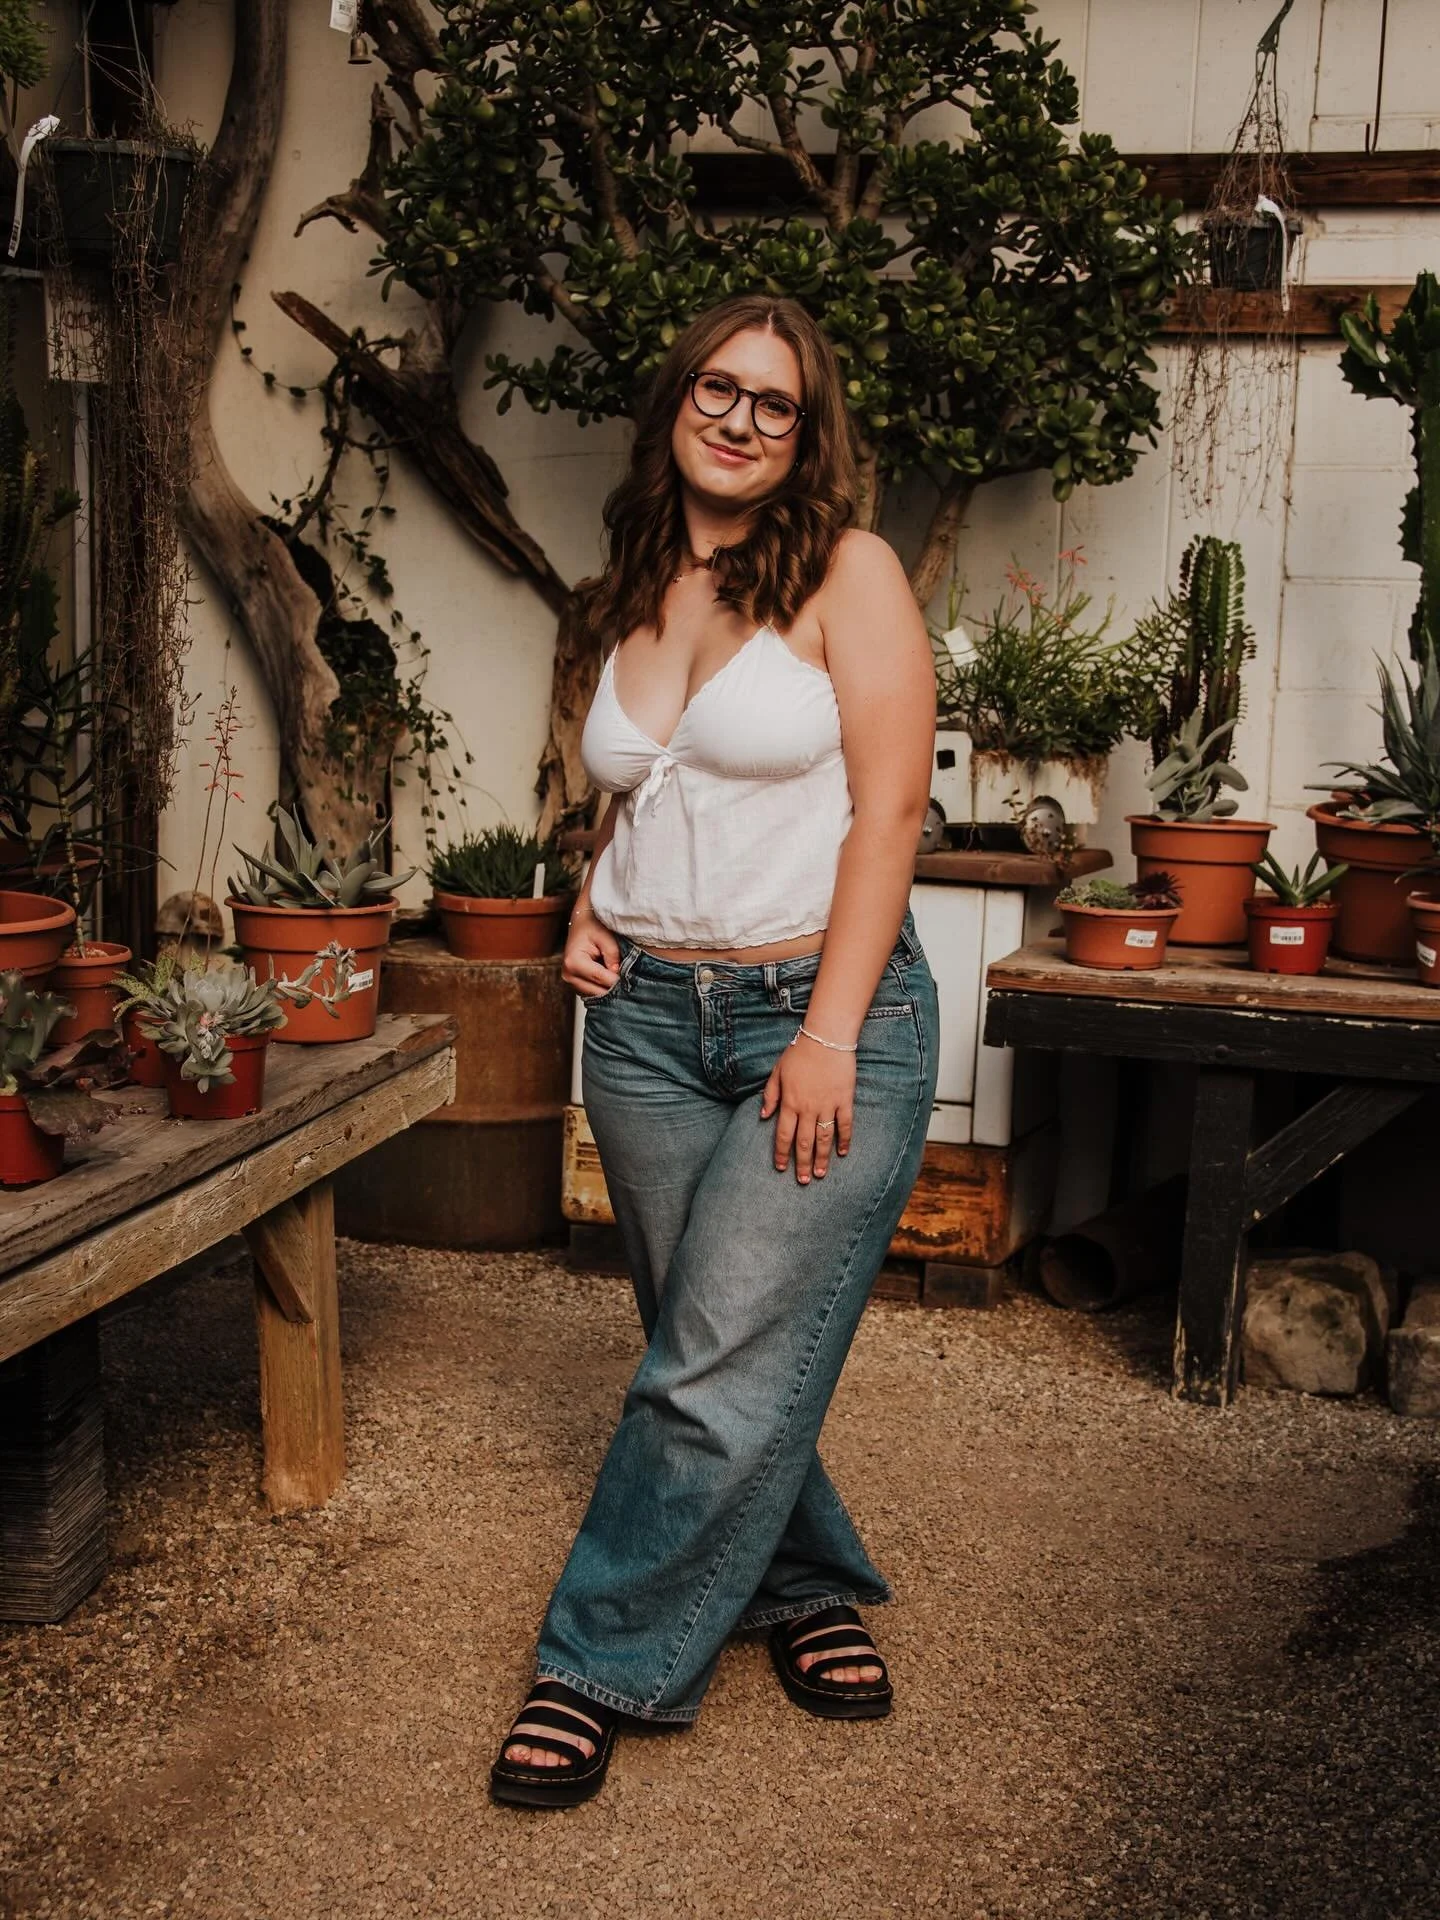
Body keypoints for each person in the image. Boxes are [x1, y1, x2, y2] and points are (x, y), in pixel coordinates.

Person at [490, 293, 940, 1809]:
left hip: (817, 1017)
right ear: (677, 398)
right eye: (719, 389)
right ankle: (802, 1585)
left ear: (808, 435)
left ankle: (593, 1664)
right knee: (709, 1339)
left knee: (712, 1366)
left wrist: (827, 1034)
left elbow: (889, 813)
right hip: (641, 1026)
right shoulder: (633, 577)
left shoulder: (849, 573)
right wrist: (587, 901)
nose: (741, 419)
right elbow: (646, 780)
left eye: (776, 402)